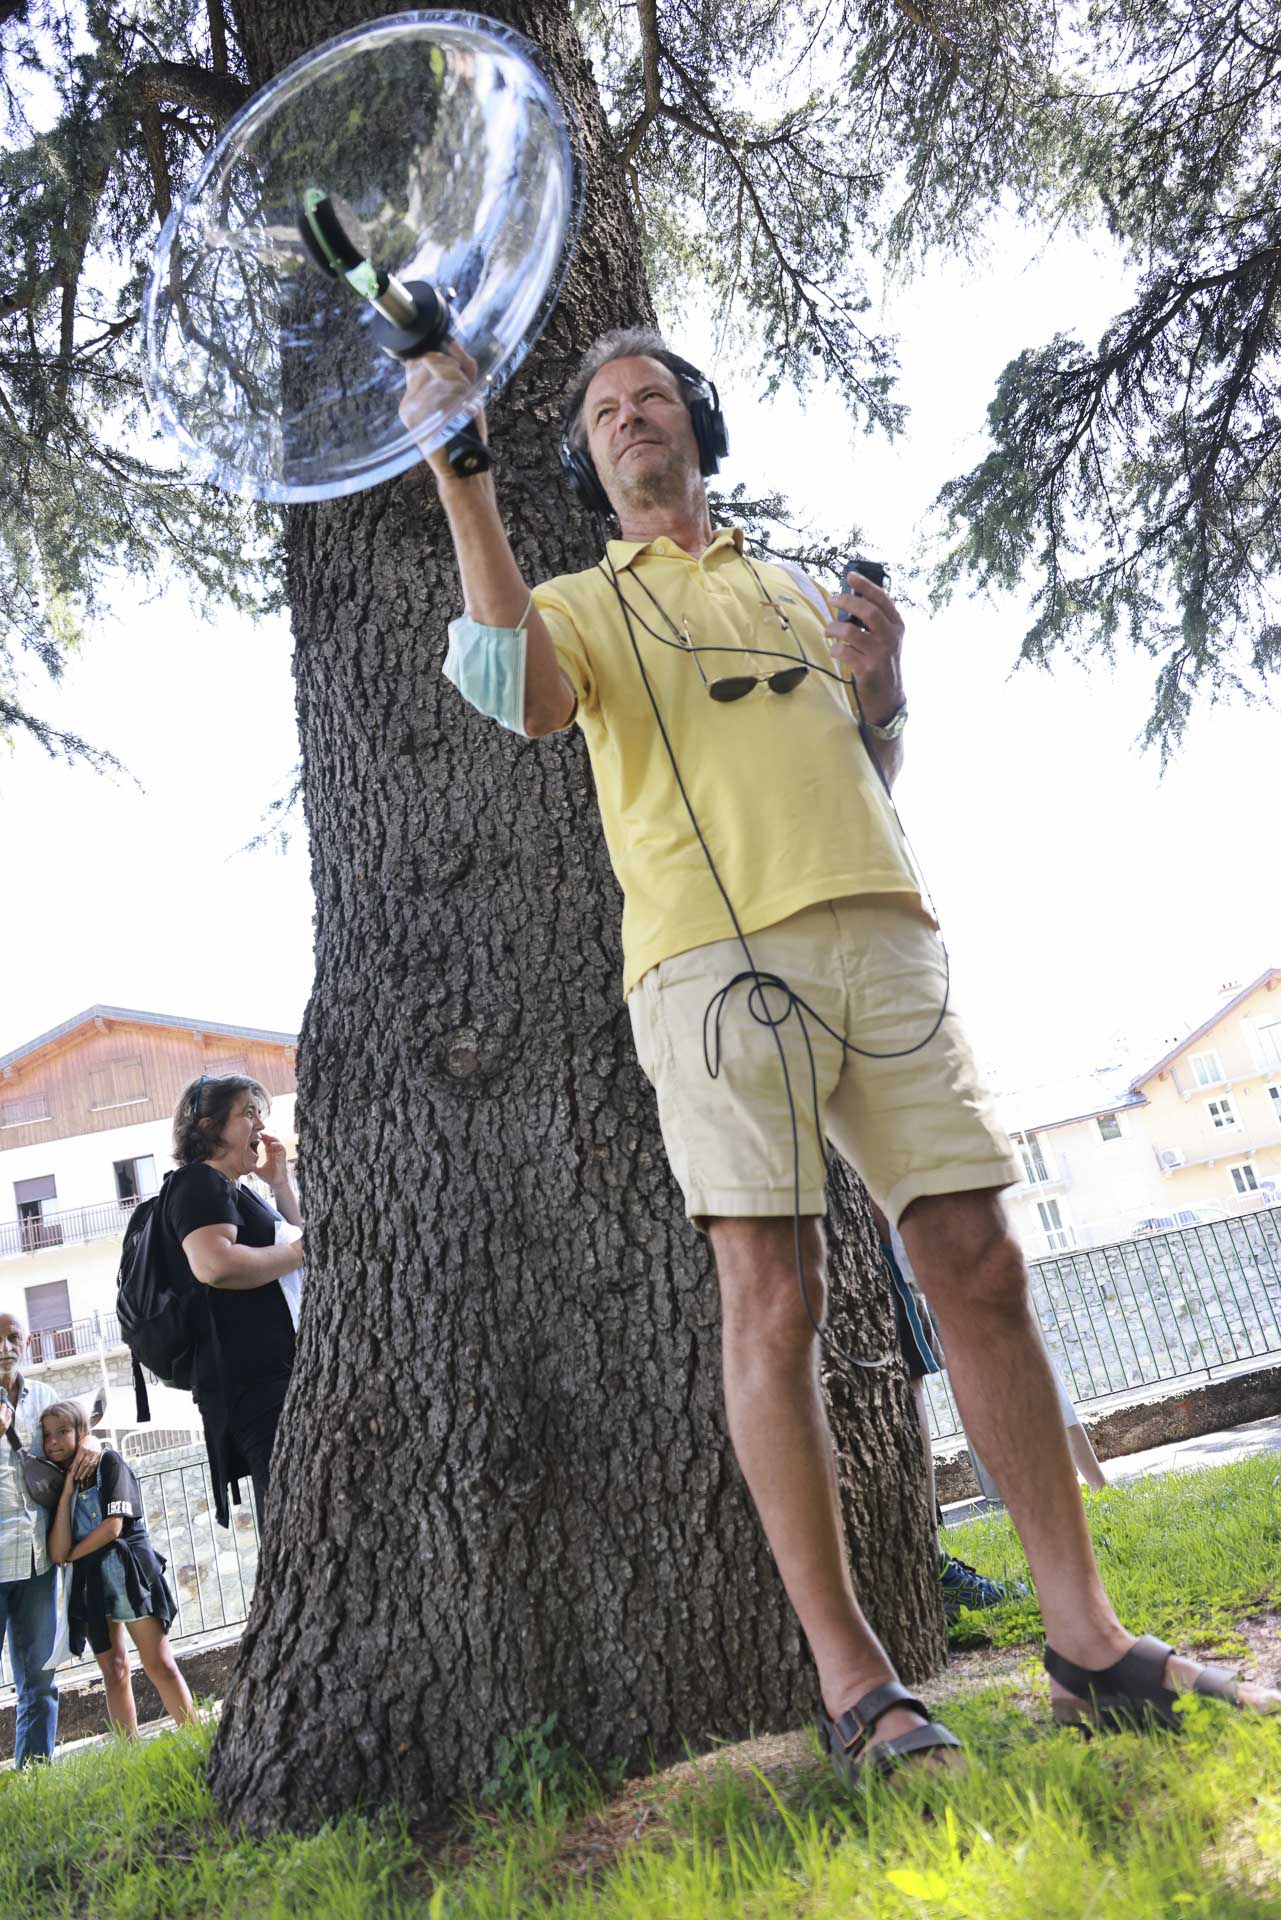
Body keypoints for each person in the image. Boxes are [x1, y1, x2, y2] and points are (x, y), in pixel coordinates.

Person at [399, 327, 1279, 1782]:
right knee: (775, 1295)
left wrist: (884, 689)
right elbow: (517, 692)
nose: (633, 417)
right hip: (709, 963)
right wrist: (460, 476)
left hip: (886, 939)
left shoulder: (803, 591)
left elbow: (868, 770)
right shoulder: (581, 603)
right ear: (584, 460)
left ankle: (1086, 1643)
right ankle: (858, 1684)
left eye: (655, 398)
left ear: (701, 428)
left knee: (980, 1264)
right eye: (606, 412)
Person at [159, 1075, 305, 1532]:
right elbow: (215, 1265)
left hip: (274, 1376)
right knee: (293, 1520)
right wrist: (303, 1251)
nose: (261, 1125)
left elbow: (297, 1244)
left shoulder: (231, 1189)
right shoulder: (199, 1182)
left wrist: (280, 1185)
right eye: (248, 1113)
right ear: (209, 1126)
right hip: (254, 1384)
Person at [43, 1400, 195, 1738]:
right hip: (92, 1585)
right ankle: (128, 1751)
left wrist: (72, 1554)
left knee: (159, 1664)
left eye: (63, 1432)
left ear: (81, 1431)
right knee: (113, 1670)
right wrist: (67, 1491)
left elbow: (112, 1527)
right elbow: (56, 1551)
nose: (53, 1441)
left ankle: (195, 1736)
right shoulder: (56, 1482)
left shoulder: (109, 1462)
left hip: (129, 1574)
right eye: (47, 1434)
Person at [0, 1305, 99, 1765]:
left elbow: (77, 1435)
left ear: (26, 1342)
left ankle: (35, 1776)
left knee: (40, 1681)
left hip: (37, 1560)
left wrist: (91, 1442)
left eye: (13, 1337)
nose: (5, 1347)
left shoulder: (44, 1396)